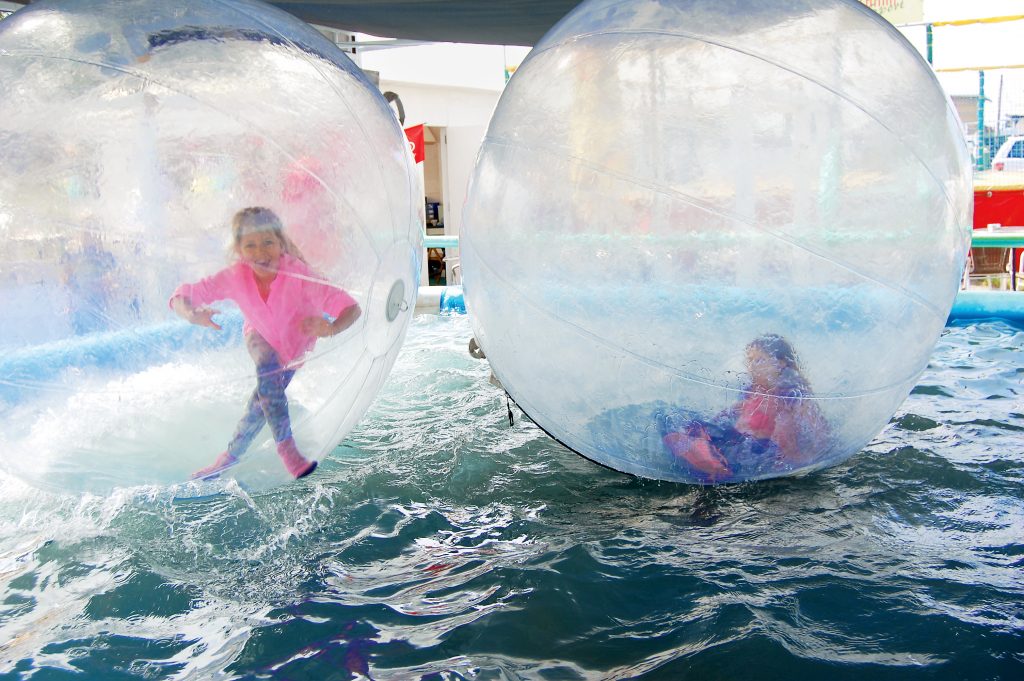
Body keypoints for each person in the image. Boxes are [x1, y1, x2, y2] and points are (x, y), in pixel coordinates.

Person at [170, 207, 360, 480]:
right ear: (239, 250)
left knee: (260, 406)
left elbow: (351, 308)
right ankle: (287, 448)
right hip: (258, 335)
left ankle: (228, 458)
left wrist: (331, 328)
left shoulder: (299, 275)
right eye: (250, 245)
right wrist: (191, 314)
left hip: (293, 347)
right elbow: (182, 295)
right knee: (266, 367)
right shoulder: (235, 276)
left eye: (268, 242)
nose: (260, 252)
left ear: (281, 244)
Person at [657, 334, 830, 482]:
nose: (752, 367)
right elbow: (740, 409)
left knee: (704, 446)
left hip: (758, 451)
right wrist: (719, 417)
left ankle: (711, 466)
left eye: (759, 360)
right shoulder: (752, 389)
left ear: (781, 363)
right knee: (670, 418)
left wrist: (802, 460)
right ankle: (707, 459)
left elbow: (818, 432)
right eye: (750, 360)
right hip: (737, 440)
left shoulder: (791, 396)